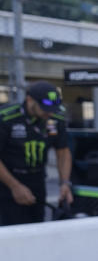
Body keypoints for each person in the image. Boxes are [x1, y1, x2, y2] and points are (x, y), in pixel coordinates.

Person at [0, 81, 73, 226]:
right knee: (12, 230)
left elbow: (63, 152)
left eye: (53, 108)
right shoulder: (6, 118)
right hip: (7, 182)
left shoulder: (55, 120)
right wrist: (15, 186)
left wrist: (65, 183)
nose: (50, 112)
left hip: (38, 180)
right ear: (29, 99)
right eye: (45, 108)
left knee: (37, 226)